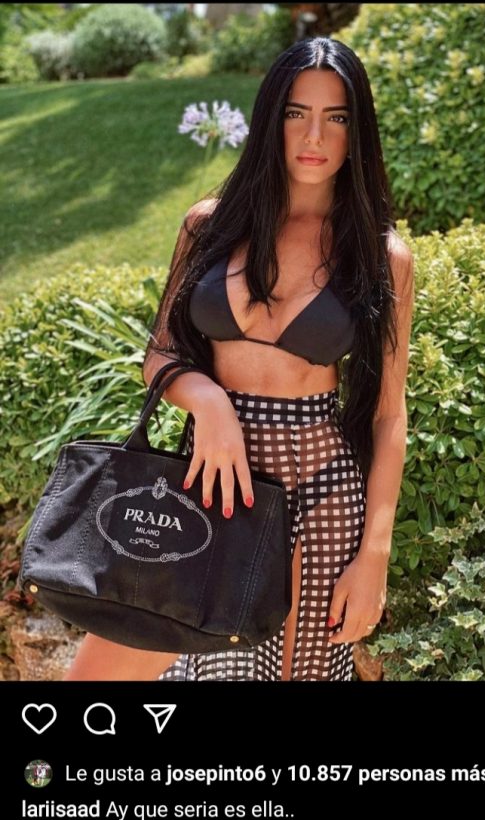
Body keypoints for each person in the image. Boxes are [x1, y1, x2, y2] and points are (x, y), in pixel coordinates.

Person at [63, 36, 414, 682]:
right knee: (97, 677)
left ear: (356, 130)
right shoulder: (209, 225)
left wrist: (375, 556)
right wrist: (209, 401)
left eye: (335, 117)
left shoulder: (380, 254)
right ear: (270, 118)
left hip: (318, 499)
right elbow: (161, 353)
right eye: (295, 112)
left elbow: (389, 416)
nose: (314, 135)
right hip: (206, 487)